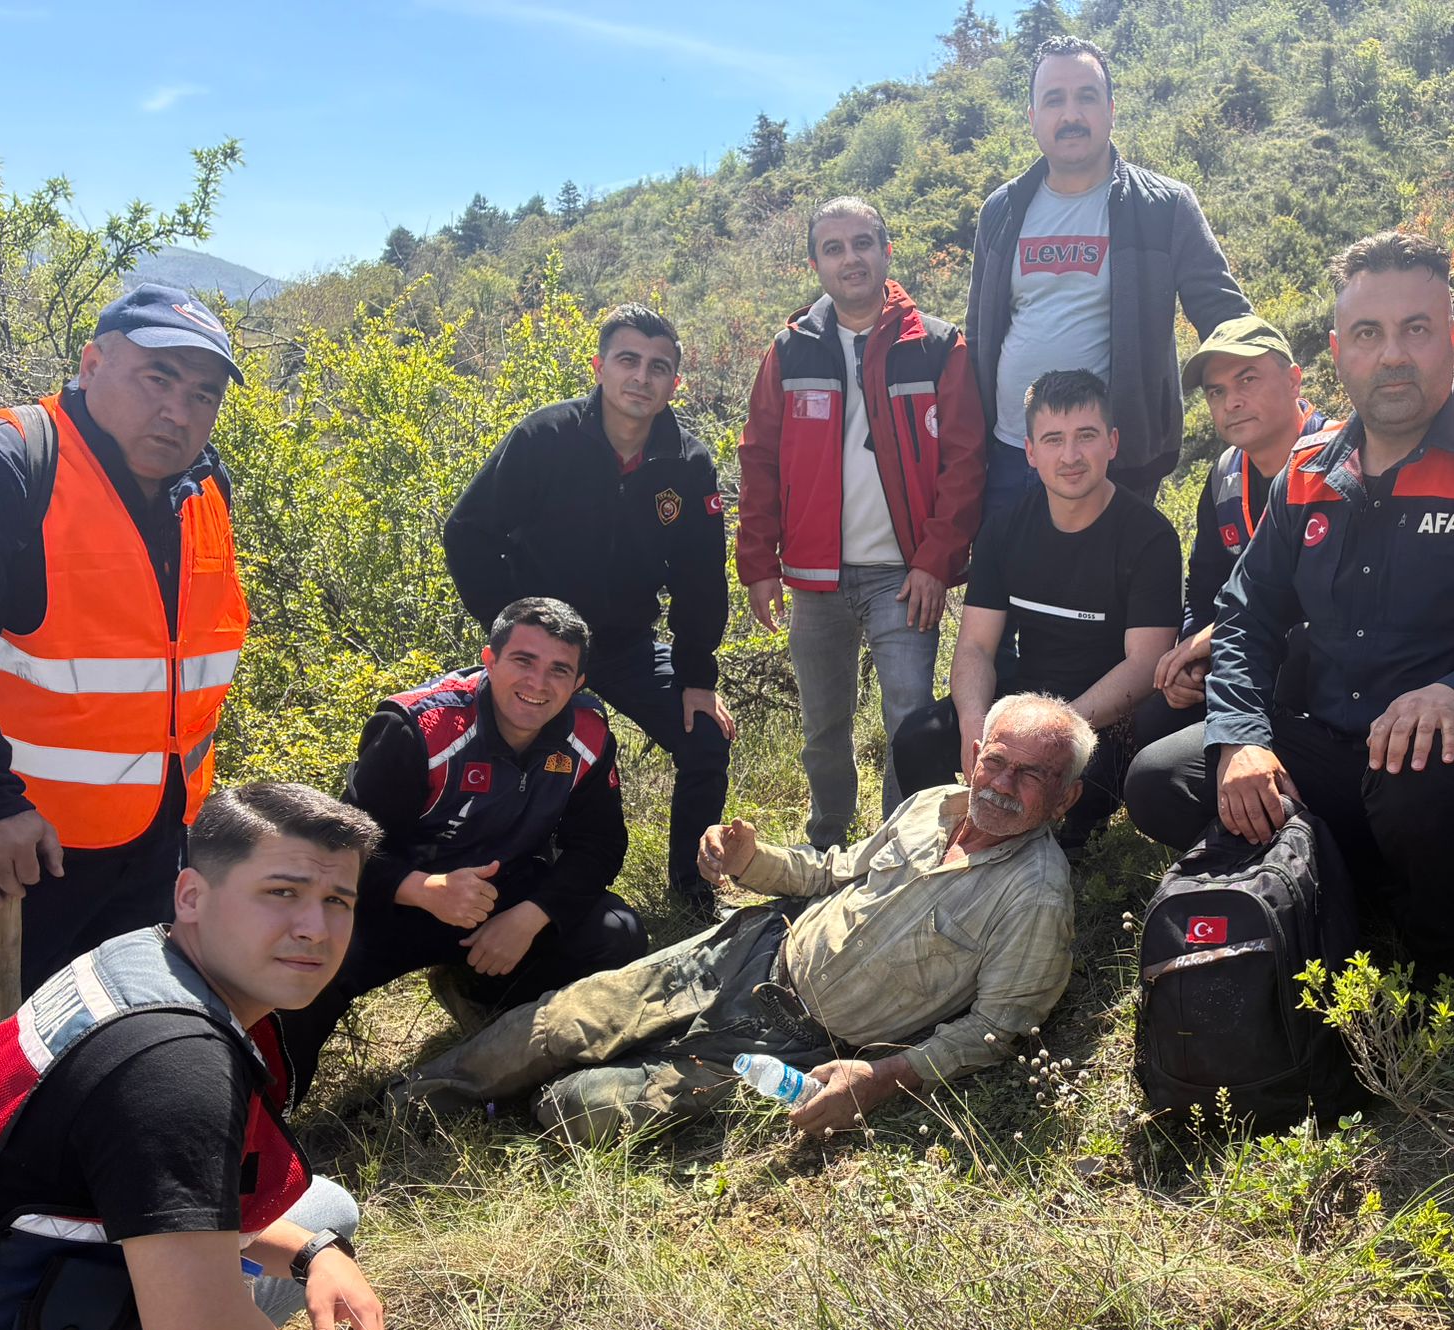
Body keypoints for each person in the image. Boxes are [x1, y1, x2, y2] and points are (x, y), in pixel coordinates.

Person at [0, 783, 469, 1330]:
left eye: (337, 901)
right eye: (281, 893)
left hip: (11, 1303)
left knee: (323, 1214)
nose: (313, 927)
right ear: (191, 894)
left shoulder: (138, 959)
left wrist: (309, 1252)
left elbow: (145, 1187)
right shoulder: (173, 1066)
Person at [1126, 232, 1454, 980]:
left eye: (1415, 329)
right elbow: (1247, 617)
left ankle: (1452, 949)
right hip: (1334, 747)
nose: (1392, 355)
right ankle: (1344, 887)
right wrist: (1240, 741)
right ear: (1338, 352)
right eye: (1368, 333)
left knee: (1416, 778)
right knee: (1160, 779)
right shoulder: (1307, 472)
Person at [383, 693, 1090, 1141]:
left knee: (580, 1109)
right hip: (749, 950)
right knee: (558, 1022)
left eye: (1033, 776)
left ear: (1065, 798)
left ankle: (530, 1084)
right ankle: (405, 1105)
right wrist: (753, 861)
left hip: (795, 1046)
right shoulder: (934, 804)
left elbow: (994, 1030)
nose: (1004, 784)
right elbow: (835, 871)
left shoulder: (1036, 897)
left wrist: (879, 1079)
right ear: (975, 756)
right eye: (998, 762)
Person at [0, 284, 251, 1095]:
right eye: (157, 377)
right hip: (15, 852)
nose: (178, 411)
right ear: (92, 363)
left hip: (152, 843)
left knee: (100, 1051)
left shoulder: (199, 491)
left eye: (203, 394)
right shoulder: (0, 464)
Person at [278, 598, 649, 1099]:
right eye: (523, 661)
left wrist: (531, 916)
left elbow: (600, 844)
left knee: (617, 934)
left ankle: (486, 997)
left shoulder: (588, 733)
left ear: (578, 682)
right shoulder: (419, 726)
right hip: (397, 899)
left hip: (504, 899)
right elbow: (341, 847)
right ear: (489, 659)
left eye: (559, 670)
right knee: (305, 959)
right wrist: (422, 888)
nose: (538, 683)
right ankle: (270, 1108)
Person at [443, 302, 734, 915]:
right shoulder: (545, 438)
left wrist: (696, 678)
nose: (641, 377)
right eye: (628, 360)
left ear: (674, 383)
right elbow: (468, 532)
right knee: (528, 751)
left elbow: (701, 579)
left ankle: (693, 887)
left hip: (626, 644)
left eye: (658, 367)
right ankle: (511, 876)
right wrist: (511, 636)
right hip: (543, 647)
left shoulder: (687, 464)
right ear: (600, 367)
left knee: (705, 735)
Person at [736, 196, 987, 848]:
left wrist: (935, 562)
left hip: (903, 577)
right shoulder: (790, 349)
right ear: (815, 263)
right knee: (823, 727)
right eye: (834, 248)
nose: (850, 259)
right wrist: (758, 564)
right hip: (813, 578)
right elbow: (758, 458)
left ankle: (895, 851)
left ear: (886, 251)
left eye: (862, 243)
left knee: (908, 721)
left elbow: (965, 463)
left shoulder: (936, 346)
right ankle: (827, 843)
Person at [890, 370, 1182, 851]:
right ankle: (943, 846)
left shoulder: (1149, 537)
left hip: (1103, 719)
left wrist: (1052, 735)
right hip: (1025, 698)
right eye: (1053, 439)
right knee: (918, 738)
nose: (1070, 456)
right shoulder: (1005, 530)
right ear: (1029, 451)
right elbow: (976, 646)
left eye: (1086, 436)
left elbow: (1145, 664)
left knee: (1076, 800)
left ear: (1112, 442)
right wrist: (977, 732)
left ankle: (1060, 852)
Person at [967, 34, 1250, 524]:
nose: (1071, 114)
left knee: (1112, 577)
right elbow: (978, 334)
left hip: (1117, 461)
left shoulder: (1162, 207)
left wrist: (1272, 398)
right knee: (1005, 577)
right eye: (1054, 99)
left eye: (1087, 96)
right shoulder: (1002, 210)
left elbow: (1224, 315)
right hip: (1012, 453)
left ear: (1111, 110)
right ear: (1032, 117)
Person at [1133, 314, 1329, 749]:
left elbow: (1339, 604)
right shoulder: (1226, 475)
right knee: (1150, 723)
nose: (1231, 402)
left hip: (1324, 676)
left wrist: (1216, 636)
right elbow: (1204, 588)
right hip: (1243, 662)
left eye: (1247, 380)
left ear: (1293, 380)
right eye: (1216, 391)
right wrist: (1193, 657)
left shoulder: (1343, 462)